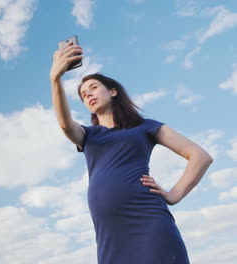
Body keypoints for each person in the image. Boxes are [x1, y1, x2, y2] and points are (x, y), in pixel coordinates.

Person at [49, 41, 213, 264]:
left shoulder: (145, 127)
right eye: (83, 95)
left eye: (93, 87)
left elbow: (200, 156)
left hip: (150, 221)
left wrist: (174, 195)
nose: (88, 94)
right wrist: (56, 79)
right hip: (110, 235)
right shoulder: (88, 135)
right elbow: (65, 125)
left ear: (113, 91)